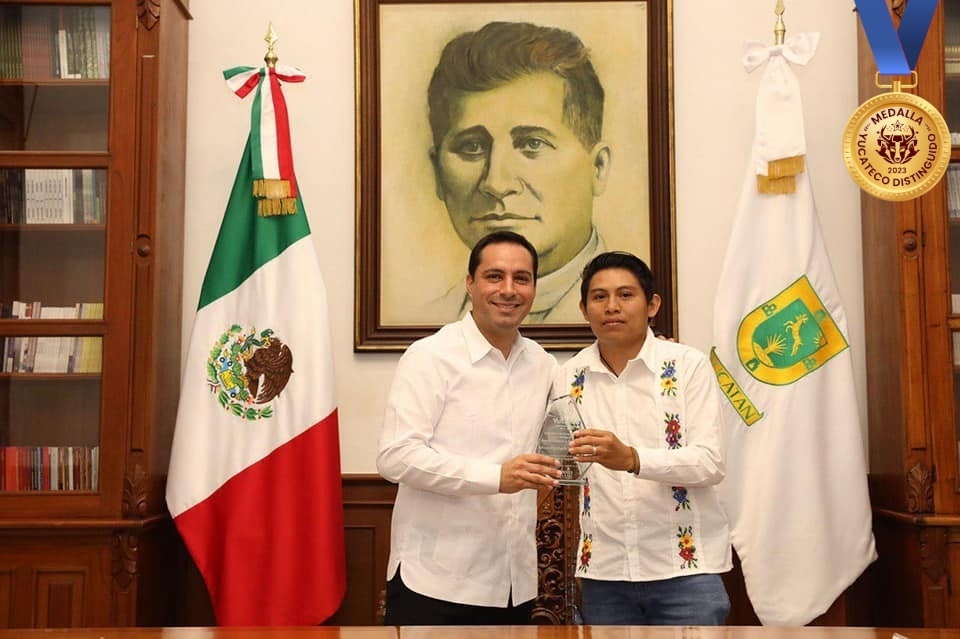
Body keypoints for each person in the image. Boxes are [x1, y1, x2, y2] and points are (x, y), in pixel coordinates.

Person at [377, 230, 562, 625]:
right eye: (494, 277)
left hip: (515, 581)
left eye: (522, 278)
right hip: (437, 582)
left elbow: (583, 405)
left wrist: (651, 346)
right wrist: (496, 476)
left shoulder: (543, 364)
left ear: (533, 287)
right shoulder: (431, 357)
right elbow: (396, 457)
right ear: (470, 283)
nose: (508, 290)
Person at [556, 251, 732, 625]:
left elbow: (710, 462)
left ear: (652, 305)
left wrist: (633, 459)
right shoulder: (567, 377)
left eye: (625, 295)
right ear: (584, 309)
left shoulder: (687, 366)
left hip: (685, 572)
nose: (612, 307)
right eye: (599, 297)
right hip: (604, 573)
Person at [426, 21, 611, 323]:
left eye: (532, 144)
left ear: (598, 168)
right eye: (472, 147)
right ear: (437, 173)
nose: (496, 183)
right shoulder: (433, 325)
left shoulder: (639, 333)